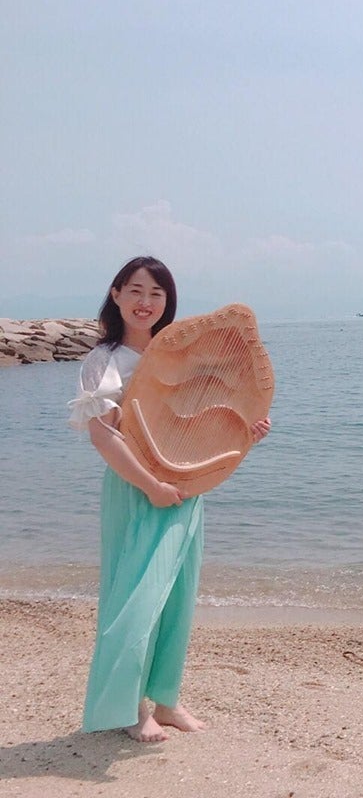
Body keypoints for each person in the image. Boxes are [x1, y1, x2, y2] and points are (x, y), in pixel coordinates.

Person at [67, 256, 271, 742]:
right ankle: (130, 708)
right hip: (136, 490)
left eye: (156, 294)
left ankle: (167, 701)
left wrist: (246, 432)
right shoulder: (104, 361)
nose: (145, 302)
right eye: (136, 291)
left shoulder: (184, 354)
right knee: (135, 599)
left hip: (186, 489)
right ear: (116, 295)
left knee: (177, 598)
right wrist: (150, 486)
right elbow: (103, 437)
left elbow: (196, 425)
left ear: (168, 302)